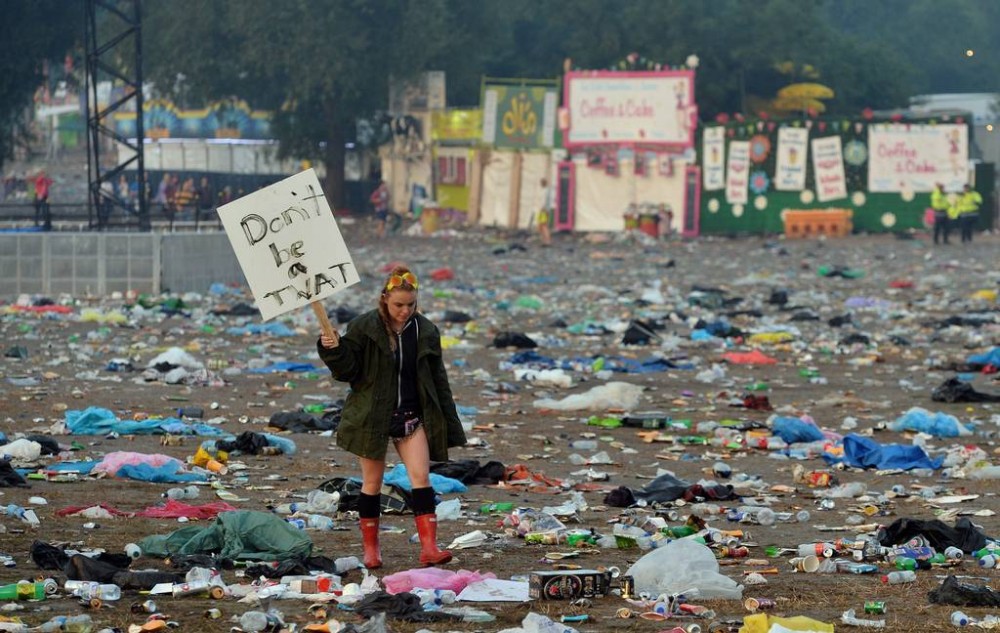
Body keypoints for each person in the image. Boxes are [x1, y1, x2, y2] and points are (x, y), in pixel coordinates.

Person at [317, 266, 466, 569]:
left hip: (411, 416)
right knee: (372, 484)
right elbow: (347, 371)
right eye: (398, 304)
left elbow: (438, 380)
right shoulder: (364, 327)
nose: (405, 310)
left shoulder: (425, 331)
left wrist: (448, 422)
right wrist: (331, 348)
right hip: (373, 415)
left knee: (421, 479)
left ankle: (429, 548)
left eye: (410, 304)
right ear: (384, 299)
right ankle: (371, 551)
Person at [537, 177, 553, 246]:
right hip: (543, 209)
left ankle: (547, 240)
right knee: (540, 225)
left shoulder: (545, 191)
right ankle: (544, 239)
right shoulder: (545, 190)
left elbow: (544, 201)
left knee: (543, 225)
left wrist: (543, 209)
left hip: (543, 210)